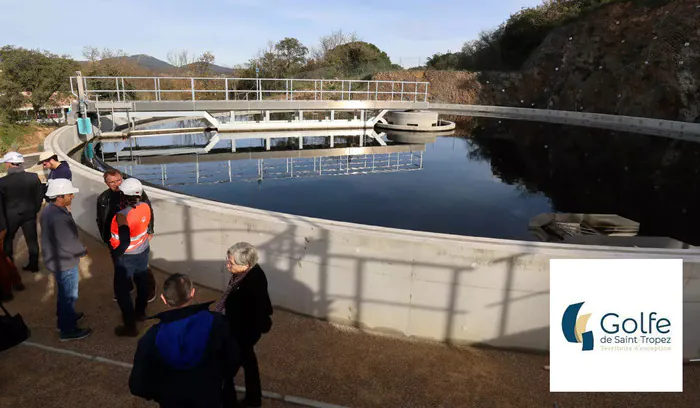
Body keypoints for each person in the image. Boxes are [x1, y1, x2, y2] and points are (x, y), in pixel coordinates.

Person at [129, 273, 241, 408]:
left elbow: (137, 385)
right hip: (210, 397)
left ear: (163, 299)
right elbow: (234, 359)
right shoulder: (217, 323)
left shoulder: (151, 337)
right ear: (192, 293)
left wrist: (161, 395)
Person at [216, 242, 273, 408]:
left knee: (225, 370)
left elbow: (253, 311)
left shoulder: (250, 284)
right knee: (249, 362)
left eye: (231, 263)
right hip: (244, 330)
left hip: (242, 332)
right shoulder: (250, 273)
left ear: (246, 265)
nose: (227, 265)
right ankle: (254, 399)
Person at [40, 178, 91, 341]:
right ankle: (68, 330)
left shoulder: (49, 211)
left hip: (57, 260)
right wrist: (82, 250)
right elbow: (68, 242)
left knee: (64, 293)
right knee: (69, 295)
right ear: (60, 197)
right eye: (70, 194)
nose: (72, 197)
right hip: (65, 262)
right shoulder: (58, 217)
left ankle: (64, 318)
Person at [96, 169, 156, 302]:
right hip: (116, 240)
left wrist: (150, 231)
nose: (116, 184)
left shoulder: (137, 194)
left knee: (142, 268)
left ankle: (149, 291)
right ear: (106, 183)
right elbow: (101, 219)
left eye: (118, 181)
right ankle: (127, 287)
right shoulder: (103, 198)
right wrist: (106, 239)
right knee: (120, 267)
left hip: (137, 241)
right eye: (111, 182)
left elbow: (148, 211)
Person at [110, 177, 153, 337]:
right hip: (142, 251)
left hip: (126, 257)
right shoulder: (145, 206)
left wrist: (115, 253)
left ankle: (130, 327)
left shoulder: (122, 215)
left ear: (122, 195)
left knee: (121, 292)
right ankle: (140, 313)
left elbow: (125, 240)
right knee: (142, 283)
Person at [0, 151, 43, 272]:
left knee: (8, 241)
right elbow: (39, 196)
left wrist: (2, 224)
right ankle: (34, 265)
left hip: (10, 217)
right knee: (32, 240)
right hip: (29, 214)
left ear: (9, 164)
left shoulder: (2, 182)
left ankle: (10, 268)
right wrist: (35, 209)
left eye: (6, 163)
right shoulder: (33, 177)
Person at [0, 194, 25, 302]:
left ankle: (6, 291)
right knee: (3, 257)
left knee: (1, 262)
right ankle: (16, 281)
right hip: (2, 226)